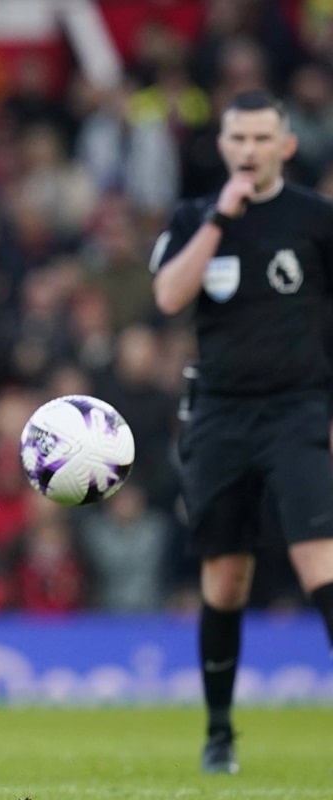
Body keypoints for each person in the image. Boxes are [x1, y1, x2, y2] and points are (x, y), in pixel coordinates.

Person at [150, 89, 333, 775]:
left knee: (323, 566)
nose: (250, 151)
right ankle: (219, 732)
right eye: (239, 139)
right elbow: (170, 297)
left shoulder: (316, 220)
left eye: (263, 139)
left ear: (286, 145)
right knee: (225, 582)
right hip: (221, 417)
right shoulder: (196, 216)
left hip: (299, 411)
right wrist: (220, 220)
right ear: (223, 147)